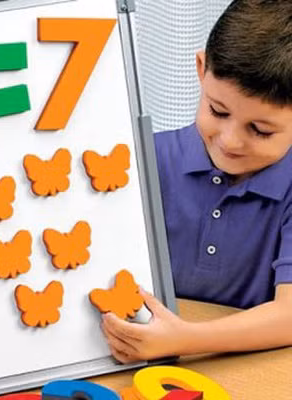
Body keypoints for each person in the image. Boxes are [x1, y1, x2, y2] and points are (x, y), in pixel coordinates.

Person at [101, 0, 292, 364]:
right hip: (134, 360)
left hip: (247, 369)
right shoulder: (143, 159)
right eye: (217, 111)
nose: (230, 141)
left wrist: (184, 339)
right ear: (202, 70)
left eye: (260, 130)